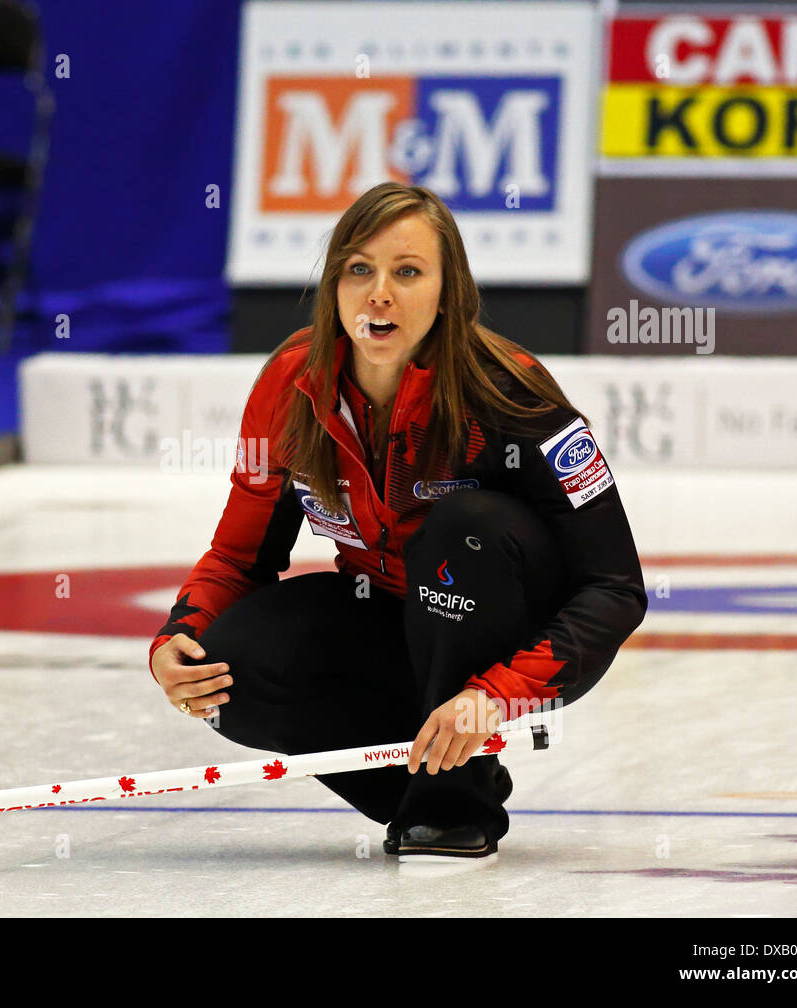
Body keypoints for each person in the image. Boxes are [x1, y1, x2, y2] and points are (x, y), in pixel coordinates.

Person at [148, 182, 647, 861]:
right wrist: (181, 632)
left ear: (450, 293)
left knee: (463, 528)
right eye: (359, 270)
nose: (378, 292)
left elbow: (614, 589)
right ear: (333, 288)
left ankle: (454, 802)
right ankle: (430, 792)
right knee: (228, 671)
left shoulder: (511, 392)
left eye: (407, 272)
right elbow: (239, 558)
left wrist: (500, 692)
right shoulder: (290, 387)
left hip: (517, 638)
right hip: (390, 619)